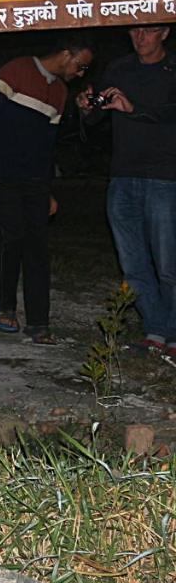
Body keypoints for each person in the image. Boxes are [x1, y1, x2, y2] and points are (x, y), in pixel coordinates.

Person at [0, 38, 95, 344]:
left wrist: (48, 190)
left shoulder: (59, 92)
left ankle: (38, 322)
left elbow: (48, 147)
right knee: (14, 235)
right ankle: (4, 305)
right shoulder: (17, 69)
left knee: (38, 245)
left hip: (33, 178)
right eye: (80, 65)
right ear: (64, 52)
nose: (81, 72)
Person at [79, 25, 176, 354]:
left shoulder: (172, 69)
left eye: (148, 32)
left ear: (163, 33)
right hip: (122, 175)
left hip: (166, 176)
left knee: (168, 262)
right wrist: (87, 107)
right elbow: (96, 119)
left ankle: (173, 333)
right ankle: (155, 331)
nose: (140, 38)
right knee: (132, 261)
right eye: (135, 31)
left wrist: (134, 109)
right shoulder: (119, 68)